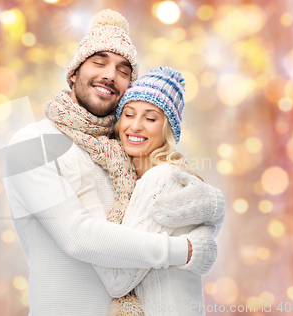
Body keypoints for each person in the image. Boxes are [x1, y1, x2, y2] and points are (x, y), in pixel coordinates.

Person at [3, 9, 221, 316]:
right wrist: (185, 250)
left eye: (123, 70)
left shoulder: (126, 153)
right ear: (75, 72)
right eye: (99, 61)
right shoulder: (33, 143)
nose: (109, 75)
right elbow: (78, 236)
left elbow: (167, 204)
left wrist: (211, 207)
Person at [49, 66, 225, 316]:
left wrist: (87, 197)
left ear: (167, 130)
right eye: (129, 115)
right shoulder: (145, 177)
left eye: (151, 118)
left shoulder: (160, 178)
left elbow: (117, 280)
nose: (136, 126)